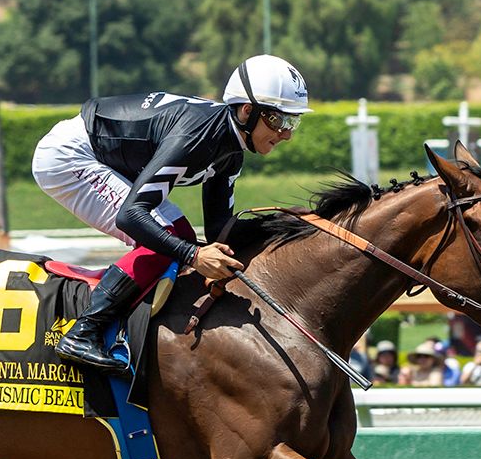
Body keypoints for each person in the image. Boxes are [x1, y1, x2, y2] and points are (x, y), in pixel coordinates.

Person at [32, 54, 312, 372]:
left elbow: (221, 227)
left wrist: (287, 224)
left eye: (293, 122)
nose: (286, 133)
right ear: (247, 111)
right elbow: (131, 216)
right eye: (279, 120)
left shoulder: (230, 150)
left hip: (103, 154)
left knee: (180, 234)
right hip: (69, 157)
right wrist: (194, 256)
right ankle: (84, 331)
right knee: (175, 238)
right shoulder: (197, 138)